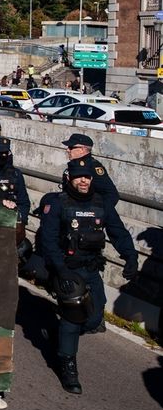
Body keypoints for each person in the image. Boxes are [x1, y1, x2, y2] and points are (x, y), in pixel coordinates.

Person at [37, 159, 138, 394]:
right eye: (78, 176)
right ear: (69, 178)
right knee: (74, 317)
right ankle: (68, 368)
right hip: (67, 270)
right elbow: (49, 241)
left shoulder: (101, 203)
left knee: (93, 320)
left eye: (87, 176)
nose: (83, 180)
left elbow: (118, 232)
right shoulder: (58, 204)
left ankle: (61, 335)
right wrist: (60, 270)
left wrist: (130, 256)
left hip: (92, 269)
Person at [61, 134, 119, 210]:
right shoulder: (74, 164)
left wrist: (96, 213)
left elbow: (112, 194)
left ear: (82, 150)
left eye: (71, 147)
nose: (67, 150)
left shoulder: (93, 166)